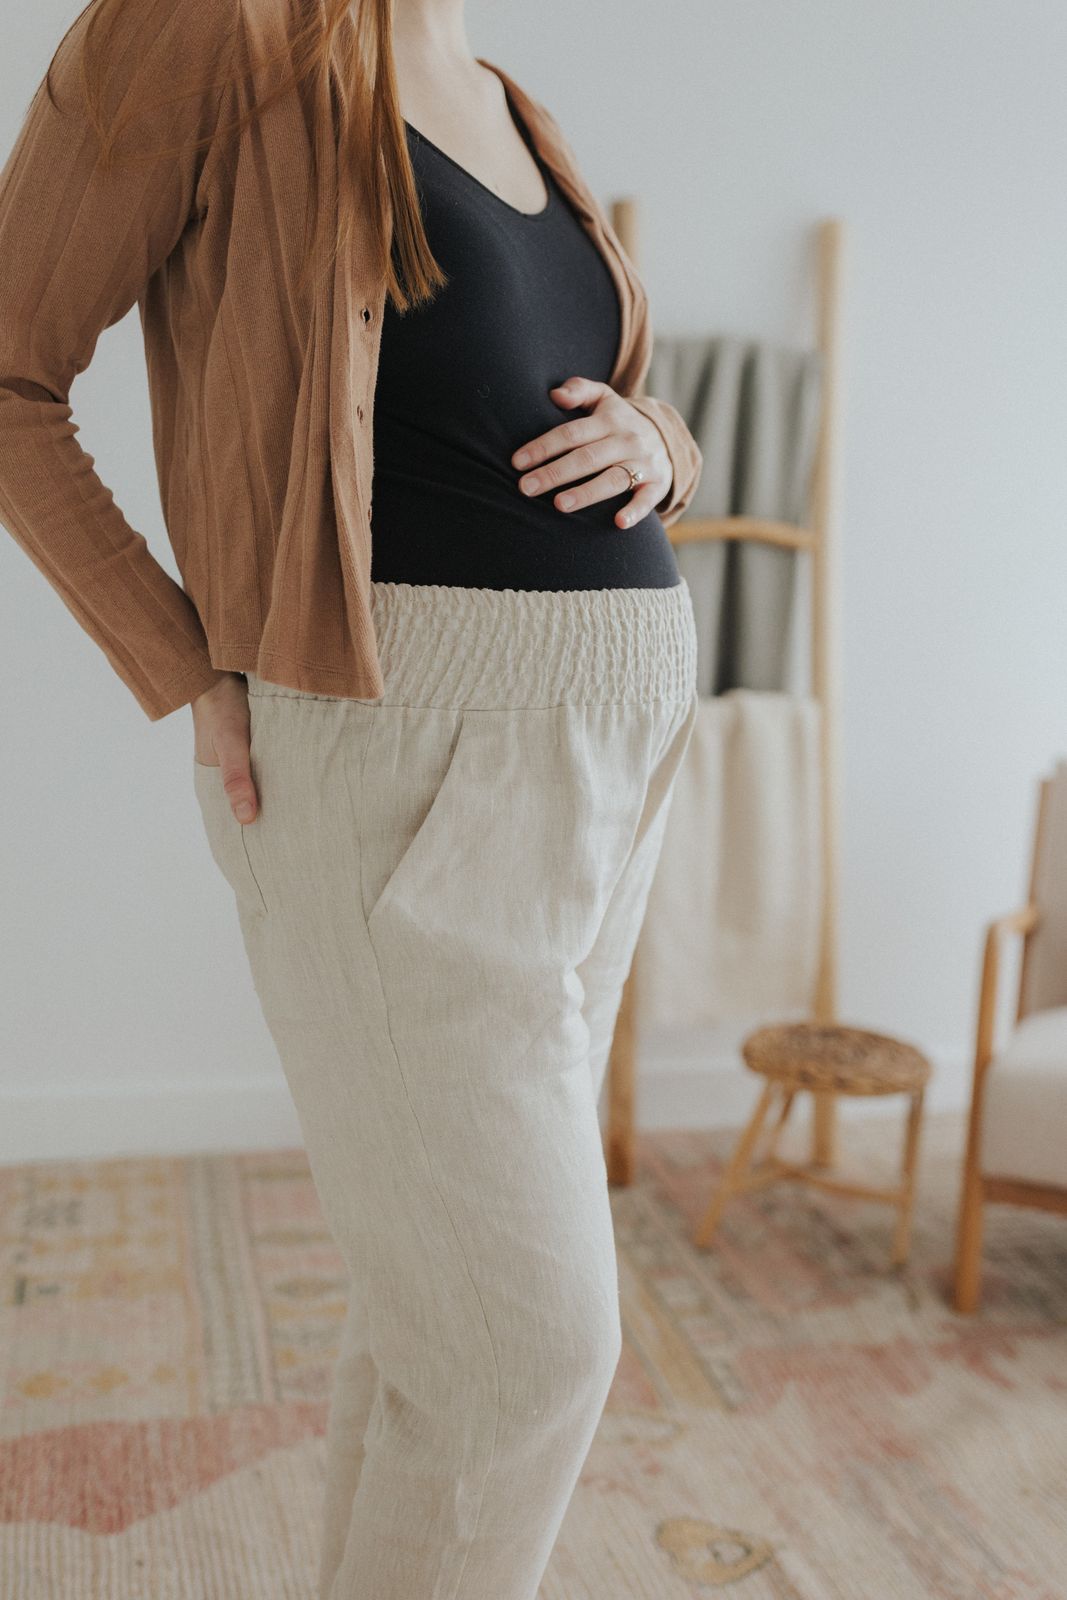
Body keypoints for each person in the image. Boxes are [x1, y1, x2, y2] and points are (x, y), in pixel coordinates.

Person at [0, 0, 703, 1594]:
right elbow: (8, 367)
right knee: (527, 1351)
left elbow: (579, 389)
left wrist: (664, 443)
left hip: (611, 761)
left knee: (437, 1328)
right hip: (403, 761)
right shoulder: (206, 32)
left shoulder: (506, 93)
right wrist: (181, 661)